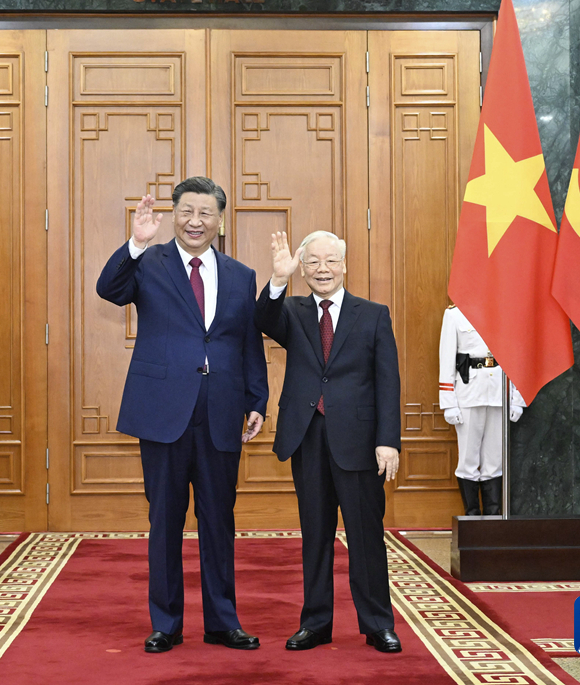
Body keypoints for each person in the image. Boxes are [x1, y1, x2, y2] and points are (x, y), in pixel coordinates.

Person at [96, 177, 269, 654]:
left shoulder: (241, 275)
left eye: (205, 213)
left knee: (219, 521)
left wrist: (257, 400)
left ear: (220, 220)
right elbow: (108, 289)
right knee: (166, 520)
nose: (196, 221)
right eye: (187, 211)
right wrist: (135, 242)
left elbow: (248, 343)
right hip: (163, 411)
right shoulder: (148, 262)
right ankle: (166, 624)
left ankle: (223, 622)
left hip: (221, 412)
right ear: (173, 214)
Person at [254, 230, 402, 653]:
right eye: (313, 262)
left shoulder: (373, 314)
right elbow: (262, 320)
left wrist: (388, 440)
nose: (323, 269)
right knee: (315, 535)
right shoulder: (292, 311)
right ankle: (316, 624)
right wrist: (278, 279)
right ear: (302, 269)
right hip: (308, 436)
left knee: (365, 537)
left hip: (359, 441)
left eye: (331, 260)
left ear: (344, 265)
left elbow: (387, 382)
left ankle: (378, 625)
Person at [439, 305, 525, 516]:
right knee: (468, 460)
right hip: (469, 394)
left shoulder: (508, 313)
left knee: (495, 461)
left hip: (499, 392)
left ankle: (492, 519)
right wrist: (449, 402)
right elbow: (447, 359)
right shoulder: (455, 314)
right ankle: (472, 518)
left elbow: (516, 357)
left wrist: (517, 398)